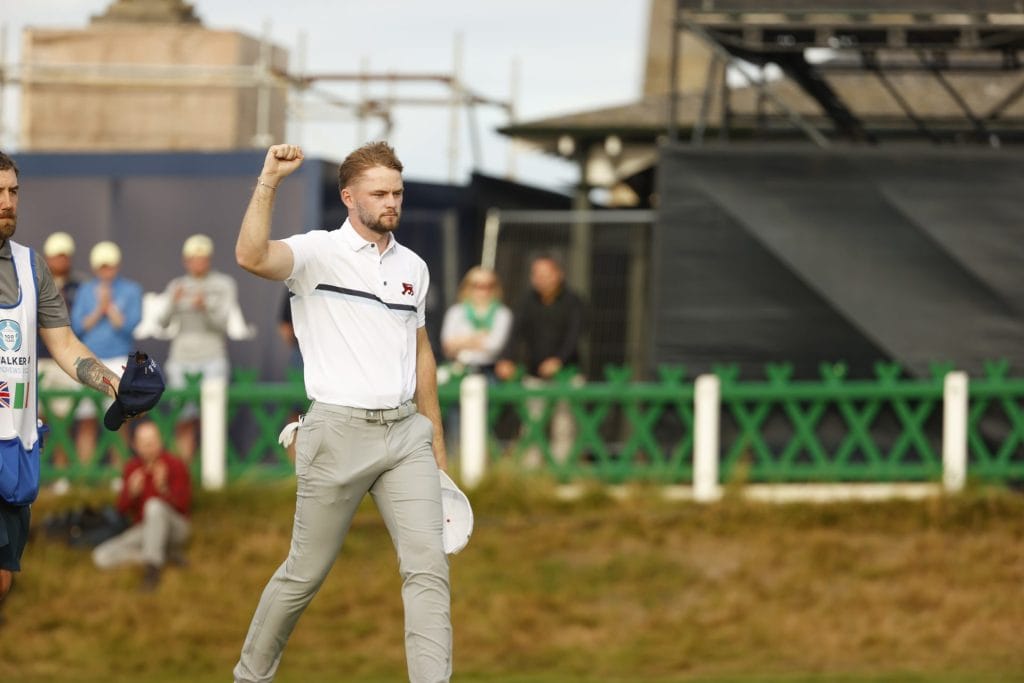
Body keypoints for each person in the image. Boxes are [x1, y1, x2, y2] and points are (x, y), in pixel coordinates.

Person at [232, 142, 451, 683]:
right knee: (303, 574)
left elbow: (422, 355)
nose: (391, 202)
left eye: (397, 192)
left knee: (429, 570)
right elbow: (250, 257)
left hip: (406, 436)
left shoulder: (414, 267)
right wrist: (269, 181)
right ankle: (249, 676)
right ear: (348, 196)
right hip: (336, 433)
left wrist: (438, 451)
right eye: (379, 193)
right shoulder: (315, 253)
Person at [0, 151, 128, 611]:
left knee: (2, 581)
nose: (7, 201)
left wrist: (115, 385)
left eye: (13, 191)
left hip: (14, 449)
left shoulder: (32, 268)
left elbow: (66, 345)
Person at [157, 233, 240, 463]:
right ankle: (182, 471)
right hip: (181, 358)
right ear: (186, 261)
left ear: (209, 259)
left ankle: (211, 474)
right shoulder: (177, 285)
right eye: (193, 258)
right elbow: (162, 323)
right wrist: (174, 302)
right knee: (183, 417)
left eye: (202, 257)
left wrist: (206, 307)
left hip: (212, 355)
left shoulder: (223, 284)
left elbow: (224, 324)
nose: (198, 262)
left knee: (212, 418)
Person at [495, 255, 586, 464]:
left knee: (564, 426)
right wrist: (506, 359)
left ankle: (562, 471)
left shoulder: (573, 302)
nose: (539, 279)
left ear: (558, 275)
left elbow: (574, 336)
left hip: (567, 375)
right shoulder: (527, 301)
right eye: (535, 274)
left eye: (545, 274)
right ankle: (531, 473)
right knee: (531, 426)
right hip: (534, 374)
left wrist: (558, 360)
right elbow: (515, 333)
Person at [92, 419, 191, 592]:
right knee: (101, 556)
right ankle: (162, 555)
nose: (150, 447)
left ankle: (152, 570)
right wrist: (131, 492)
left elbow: (184, 505)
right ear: (135, 446)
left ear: (160, 441)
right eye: (145, 444)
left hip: (176, 527)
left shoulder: (174, 464)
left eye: (152, 442)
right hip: (145, 529)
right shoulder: (132, 468)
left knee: (154, 506)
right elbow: (121, 510)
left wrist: (164, 489)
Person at [69, 240, 143, 466]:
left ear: (117, 265)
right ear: (94, 268)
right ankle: (84, 475)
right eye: (102, 266)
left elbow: (130, 325)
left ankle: (118, 475)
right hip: (91, 359)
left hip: (119, 358)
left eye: (109, 266)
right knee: (86, 419)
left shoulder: (131, 290)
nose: (106, 271)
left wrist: (108, 307)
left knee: (118, 421)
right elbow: (78, 327)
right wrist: (98, 310)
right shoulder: (85, 290)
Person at [37, 231, 85, 471]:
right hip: (39, 359)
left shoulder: (80, 287)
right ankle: (39, 473)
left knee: (63, 421)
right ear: (47, 257)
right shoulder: (35, 283)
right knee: (35, 419)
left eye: (64, 256)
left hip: (65, 359)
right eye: (56, 256)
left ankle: (62, 474)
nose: (60, 260)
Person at [440, 266, 512, 380]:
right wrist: (479, 337)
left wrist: (461, 341)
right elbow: (447, 346)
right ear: (468, 286)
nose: (483, 290)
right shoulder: (455, 312)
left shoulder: (502, 313)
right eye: (477, 285)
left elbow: (495, 345)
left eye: (489, 285)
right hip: (458, 370)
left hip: (488, 372)